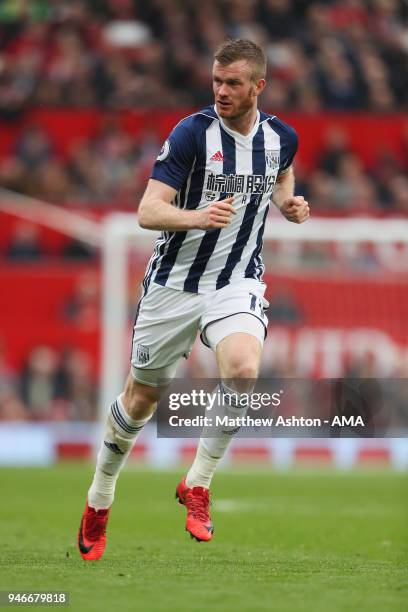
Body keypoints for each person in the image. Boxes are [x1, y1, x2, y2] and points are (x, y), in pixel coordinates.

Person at [78, 38, 309, 560]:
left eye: (233, 84)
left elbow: (281, 174)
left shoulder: (281, 138)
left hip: (236, 281)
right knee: (140, 400)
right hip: (173, 287)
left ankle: (199, 483)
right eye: (216, 82)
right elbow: (147, 211)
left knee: (244, 371)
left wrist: (288, 203)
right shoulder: (191, 134)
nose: (222, 92)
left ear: (259, 87)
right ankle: (99, 498)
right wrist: (196, 216)